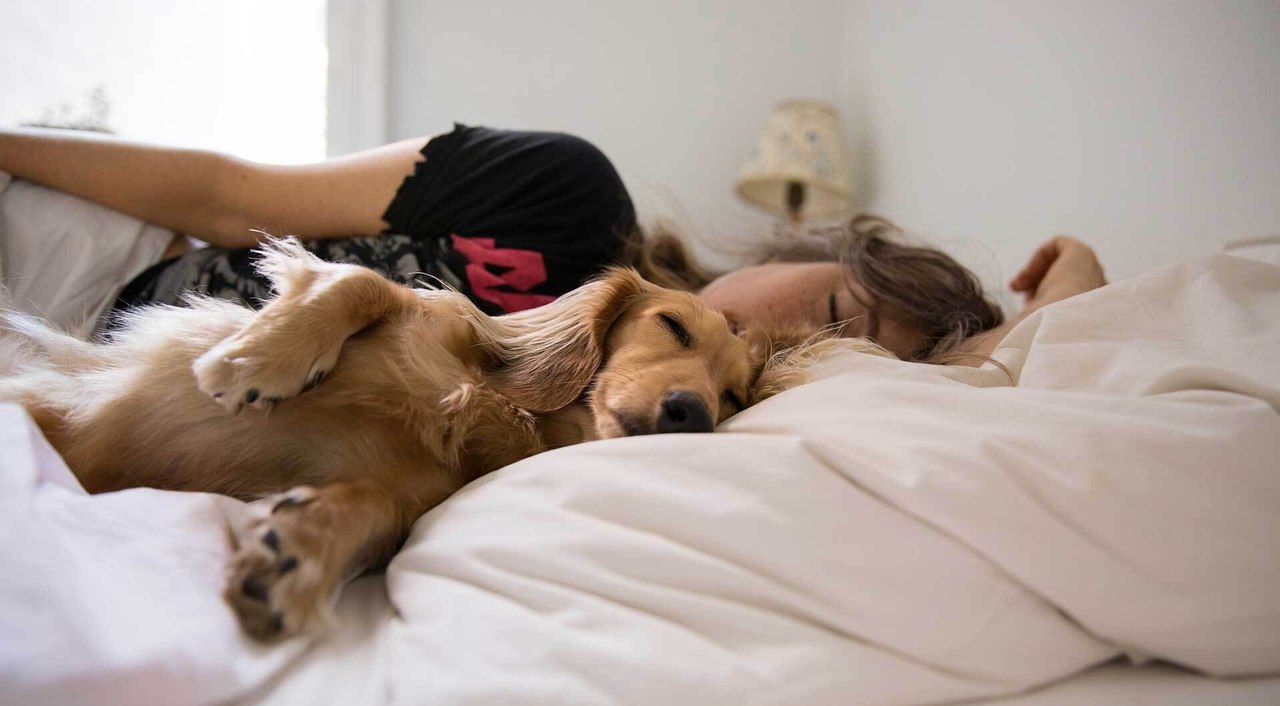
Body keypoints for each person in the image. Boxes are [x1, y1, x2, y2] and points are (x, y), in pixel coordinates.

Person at [0, 124, 1106, 365]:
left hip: (96, 378)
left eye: (837, 353)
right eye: (825, 310)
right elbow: (229, 190)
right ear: (798, 247)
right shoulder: (563, 192)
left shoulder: (654, 406)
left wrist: (1072, 302)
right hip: (104, 263)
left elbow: (988, 398)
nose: (779, 336)